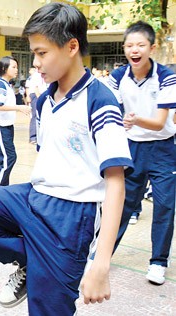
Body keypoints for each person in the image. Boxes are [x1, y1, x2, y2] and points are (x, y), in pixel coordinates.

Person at [0, 3, 133, 315]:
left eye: (42, 53)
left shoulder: (100, 100)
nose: (35, 62)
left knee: (47, 309)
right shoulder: (44, 101)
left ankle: (44, 265)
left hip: (72, 216)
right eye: (33, 53)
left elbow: (116, 183)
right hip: (33, 196)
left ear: (71, 46)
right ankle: (30, 258)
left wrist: (100, 264)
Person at [109, 21, 176, 285]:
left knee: (164, 207)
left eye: (140, 45)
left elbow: (160, 122)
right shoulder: (118, 77)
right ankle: (102, 254)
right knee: (122, 205)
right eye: (129, 45)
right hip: (131, 147)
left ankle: (158, 262)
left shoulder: (167, 76)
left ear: (152, 47)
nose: (134, 50)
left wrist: (133, 119)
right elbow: (112, 113)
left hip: (163, 148)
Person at [0, 56, 29, 186]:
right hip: (0, 125)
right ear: (4, 68)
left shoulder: (6, 84)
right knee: (10, 157)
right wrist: (19, 107)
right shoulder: (1, 85)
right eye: (13, 67)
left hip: (6, 125)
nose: (16, 70)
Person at [26, 66, 47, 144]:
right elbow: (35, 87)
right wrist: (39, 99)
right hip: (36, 95)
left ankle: (39, 136)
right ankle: (33, 137)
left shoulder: (42, 73)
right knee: (35, 115)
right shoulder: (36, 75)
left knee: (40, 116)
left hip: (41, 95)